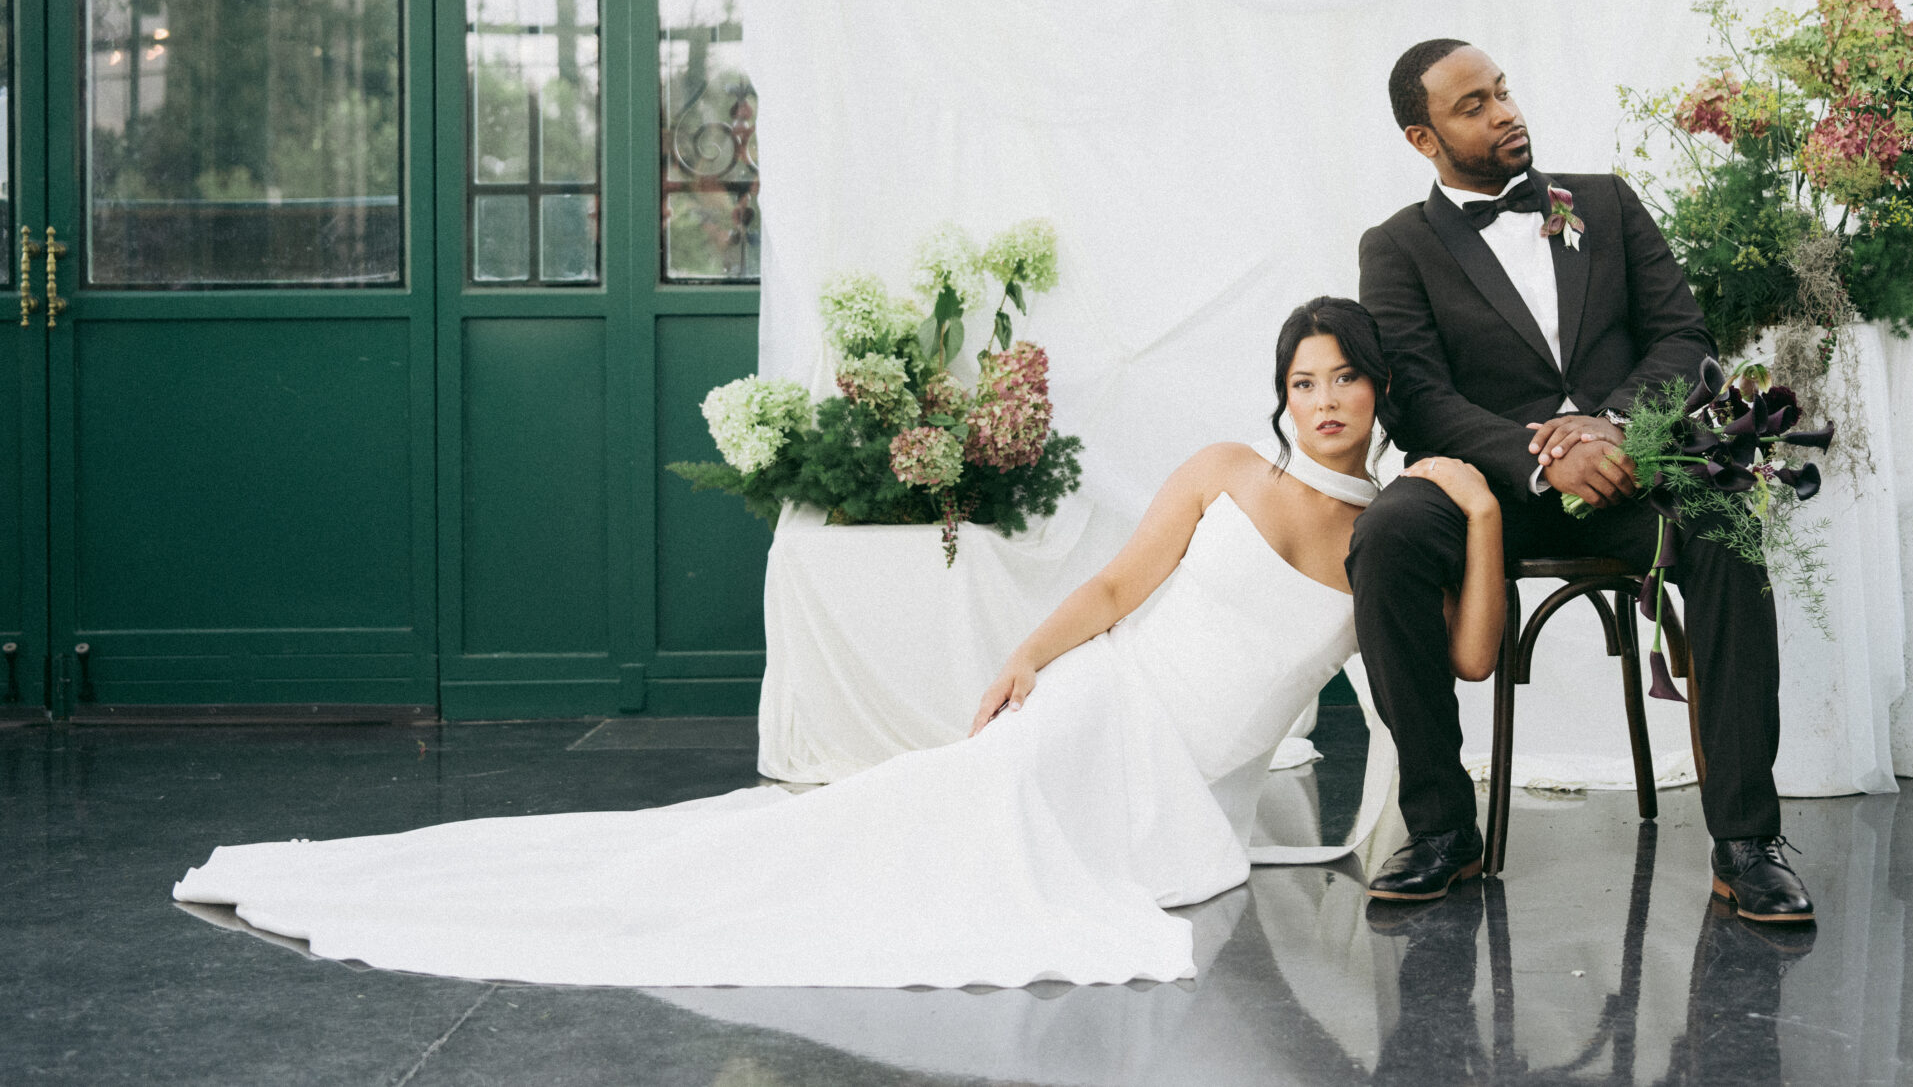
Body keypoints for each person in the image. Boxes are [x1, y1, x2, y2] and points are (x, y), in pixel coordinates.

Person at [171, 299, 1509, 988]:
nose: (1324, 399)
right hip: (1114, 707)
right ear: (1278, 397)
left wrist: (1485, 507)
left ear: (1378, 389)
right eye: (1302, 379)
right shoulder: (1226, 468)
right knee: (897, 835)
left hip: (1192, 790)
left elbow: (1461, 661)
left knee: (959, 852)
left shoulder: (1395, 528)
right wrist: (1028, 657)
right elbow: (1112, 585)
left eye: (1343, 376)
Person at [1352, 39, 1814, 923]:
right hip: (1495, 494)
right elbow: (1416, 395)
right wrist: (1543, 455)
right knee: (1388, 535)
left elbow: (1685, 338)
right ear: (1423, 137)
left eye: (1504, 91)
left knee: (1724, 519)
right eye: (1474, 106)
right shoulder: (1397, 247)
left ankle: (1747, 842)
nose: (1505, 113)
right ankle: (1443, 827)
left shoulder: (1600, 201)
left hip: (1633, 472)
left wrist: (1616, 430)